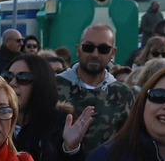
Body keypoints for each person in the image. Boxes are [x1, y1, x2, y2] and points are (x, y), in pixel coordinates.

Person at [4, 52, 93, 161]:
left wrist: (71, 149)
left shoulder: (60, 123)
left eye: (23, 78)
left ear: (41, 84)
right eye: (8, 76)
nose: (12, 83)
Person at [57, 23, 136, 151]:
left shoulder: (124, 94)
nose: (95, 54)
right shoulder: (55, 86)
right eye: (88, 47)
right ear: (78, 49)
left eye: (103, 49)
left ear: (112, 53)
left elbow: (129, 141)